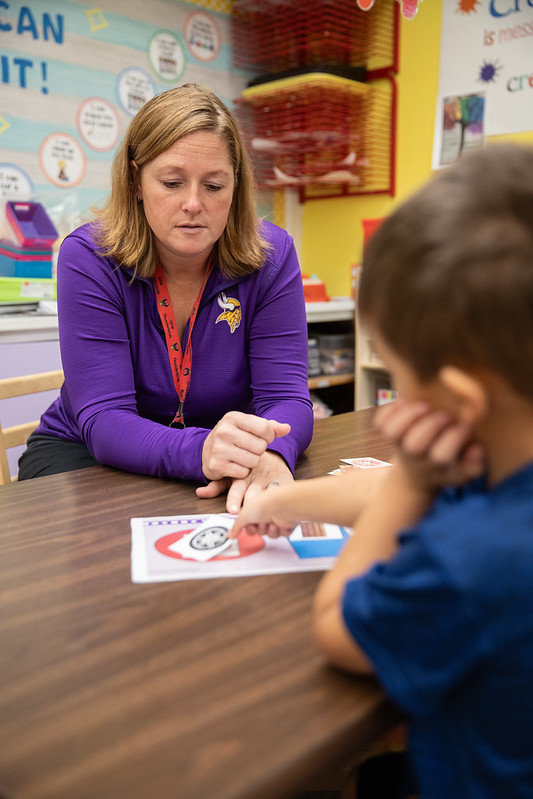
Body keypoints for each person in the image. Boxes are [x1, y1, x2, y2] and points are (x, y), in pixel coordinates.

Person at [231, 143, 533, 797]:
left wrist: (409, 479)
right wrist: (281, 500)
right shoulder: (507, 462)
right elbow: (387, 491)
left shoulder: (471, 560)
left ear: (460, 397)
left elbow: (335, 627)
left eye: (394, 374)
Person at [18, 84, 313, 512]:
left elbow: (286, 395)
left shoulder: (273, 255)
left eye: (214, 186)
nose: (193, 204)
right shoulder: (88, 257)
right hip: (88, 456)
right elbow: (104, 420)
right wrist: (202, 452)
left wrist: (271, 455)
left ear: (237, 185)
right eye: (172, 183)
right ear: (136, 181)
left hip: (224, 457)